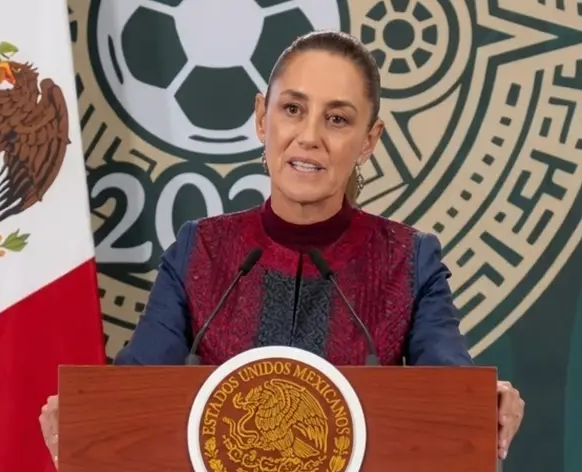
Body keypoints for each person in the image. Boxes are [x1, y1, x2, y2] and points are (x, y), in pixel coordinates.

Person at [39, 30, 524, 465]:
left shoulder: (408, 260)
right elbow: (133, 392)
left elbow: (450, 392)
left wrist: (487, 403)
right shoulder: (200, 249)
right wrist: (85, 414)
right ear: (260, 117)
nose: (309, 137)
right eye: (292, 109)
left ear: (369, 140)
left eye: (337, 119)